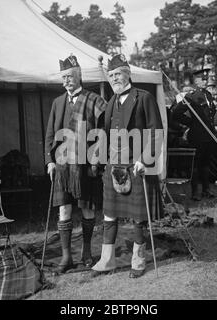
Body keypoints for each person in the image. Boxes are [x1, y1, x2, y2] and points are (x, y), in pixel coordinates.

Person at [91, 54, 163, 278]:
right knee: (109, 214)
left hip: (136, 165)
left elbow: (156, 132)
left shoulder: (144, 97)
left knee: (137, 216)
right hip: (114, 164)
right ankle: (107, 259)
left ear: (128, 73)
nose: (114, 78)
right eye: (111, 75)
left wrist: (145, 159)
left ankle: (138, 260)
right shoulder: (111, 101)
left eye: (118, 74)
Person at [44, 54, 107, 273]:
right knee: (64, 209)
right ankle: (66, 257)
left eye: (70, 76)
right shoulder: (58, 102)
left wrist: (97, 160)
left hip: (86, 165)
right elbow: (50, 134)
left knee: (87, 210)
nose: (66, 81)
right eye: (63, 78)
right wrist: (49, 161)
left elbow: (104, 132)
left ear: (79, 76)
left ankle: (87, 252)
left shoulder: (94, 99)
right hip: (62, 165)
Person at [171, 64, 216, 201]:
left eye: (206, 79)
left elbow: (210, 115)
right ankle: (195, 192)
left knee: (206, 164)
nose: (205, 81)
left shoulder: (208, 95)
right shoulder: (191, 96)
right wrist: (191, 123)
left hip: (209, 135)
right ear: (196, 81)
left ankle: (206, 190)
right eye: (202, 79)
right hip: (197, 136)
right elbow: (176, 113)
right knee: (196, 164)